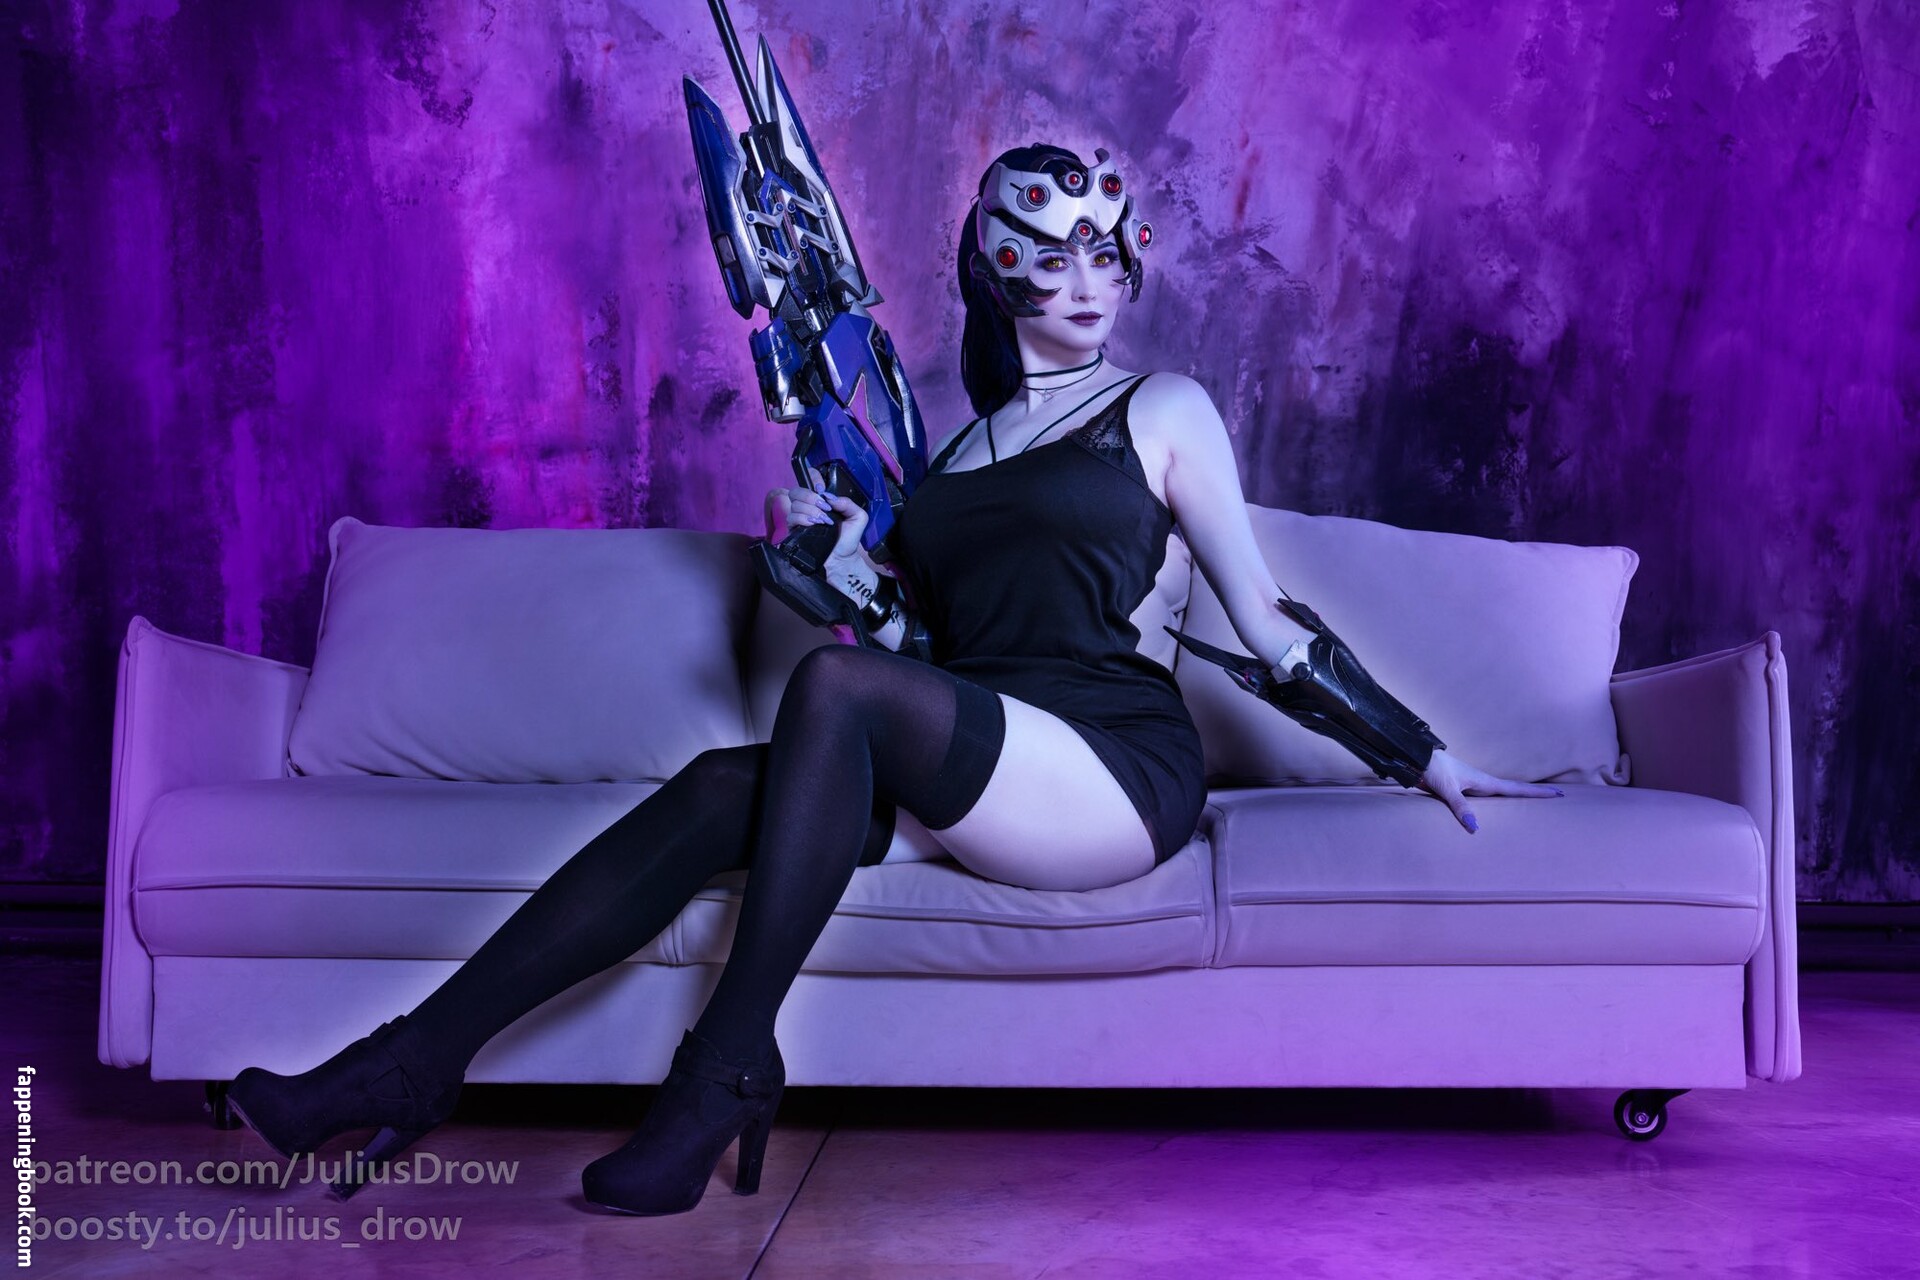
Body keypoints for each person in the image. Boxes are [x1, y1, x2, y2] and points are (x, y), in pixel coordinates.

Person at [226, 142, 1561, 1217]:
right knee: (717, 788)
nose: (1088, 284)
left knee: (837, 697)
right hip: (987, 761)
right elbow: (924, 654)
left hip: (1109, 771)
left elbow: (1265, 619)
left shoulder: (1159, 410)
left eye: (1105, 254)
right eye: (1052, 257)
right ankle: (408, 1064)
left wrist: (1423, 752)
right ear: (996, 266)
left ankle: (725, 1065)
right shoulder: (954, 457)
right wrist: (832, 565)